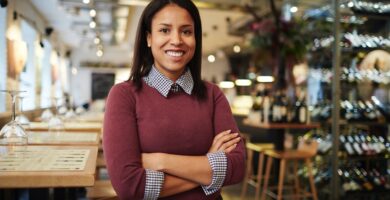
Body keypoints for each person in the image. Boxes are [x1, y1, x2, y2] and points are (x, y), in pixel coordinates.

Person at [103, 0, 246, 199]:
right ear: (148, 38)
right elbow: (130, 186)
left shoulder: (213, 94)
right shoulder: (124, 96)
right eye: (165, 30)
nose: (177, 40)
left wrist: (161, 161)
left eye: (186, 31)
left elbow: (237, 167)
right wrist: (208, 168)